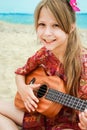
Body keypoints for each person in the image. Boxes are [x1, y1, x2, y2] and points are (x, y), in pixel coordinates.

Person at [0, 0, 87, 129]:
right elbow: (20, 72)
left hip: (69, 124)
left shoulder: (83, 63)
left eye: (56, 25)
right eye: (42, 24)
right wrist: (23, 89)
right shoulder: (44, 53)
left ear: (71, 27)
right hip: (39, 113)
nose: (47, 33)